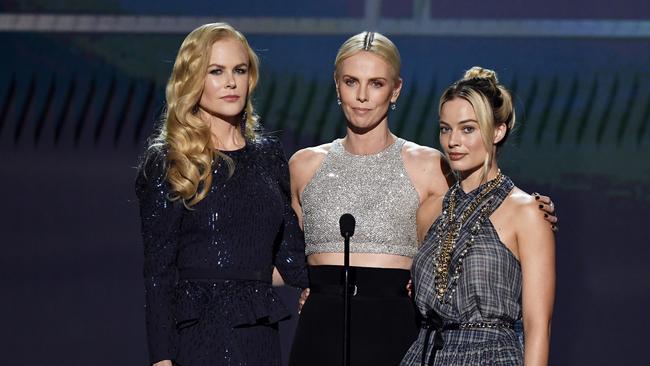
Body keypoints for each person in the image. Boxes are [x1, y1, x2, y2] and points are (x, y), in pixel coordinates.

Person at [288, 32, 556, 366]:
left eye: (375, 83)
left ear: (395, 89)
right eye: (351, 81)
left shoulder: (432, 168)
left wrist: (533, 210)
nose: (361, 96)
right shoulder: (303, 166)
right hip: (332, 330)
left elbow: (485, 204)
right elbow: (282, 253)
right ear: (336, 84)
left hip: (403, 334)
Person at [135, 23, 307, 366]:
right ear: (193, 80)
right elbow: (159, 273)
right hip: (198, 338)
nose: (231, 82)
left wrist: (332, 282)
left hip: (258, 334)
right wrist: (162, 359)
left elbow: (292, 258)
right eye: (216, 71)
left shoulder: (268, 156)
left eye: (239, 70)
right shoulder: (171, 161)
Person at [400, 67, 555, 366]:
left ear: (498, 130)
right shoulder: (430, 211)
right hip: (425, 354)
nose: (453, 141)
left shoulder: (527, 213)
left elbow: (539, 328)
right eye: (446, 128)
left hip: (491, 355)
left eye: (468, 128)